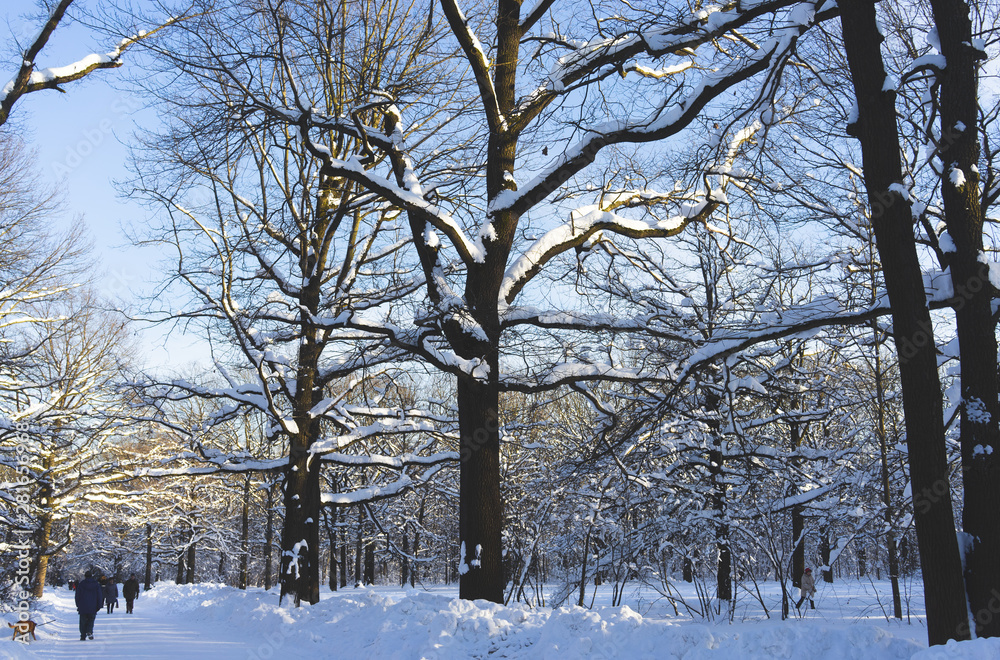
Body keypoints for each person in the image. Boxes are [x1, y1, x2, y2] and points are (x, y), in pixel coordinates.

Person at [75, 570, 104, 640]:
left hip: (83, 606)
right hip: (93, 606)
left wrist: (78, 604)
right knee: (91, 620)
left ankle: (82, 635)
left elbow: (77, 595)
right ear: (91, 576)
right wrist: (99, 605)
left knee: (83, 621)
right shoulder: (96, 584)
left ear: (85, 576)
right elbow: (99, 595)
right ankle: (89, 631)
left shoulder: (81, 584)